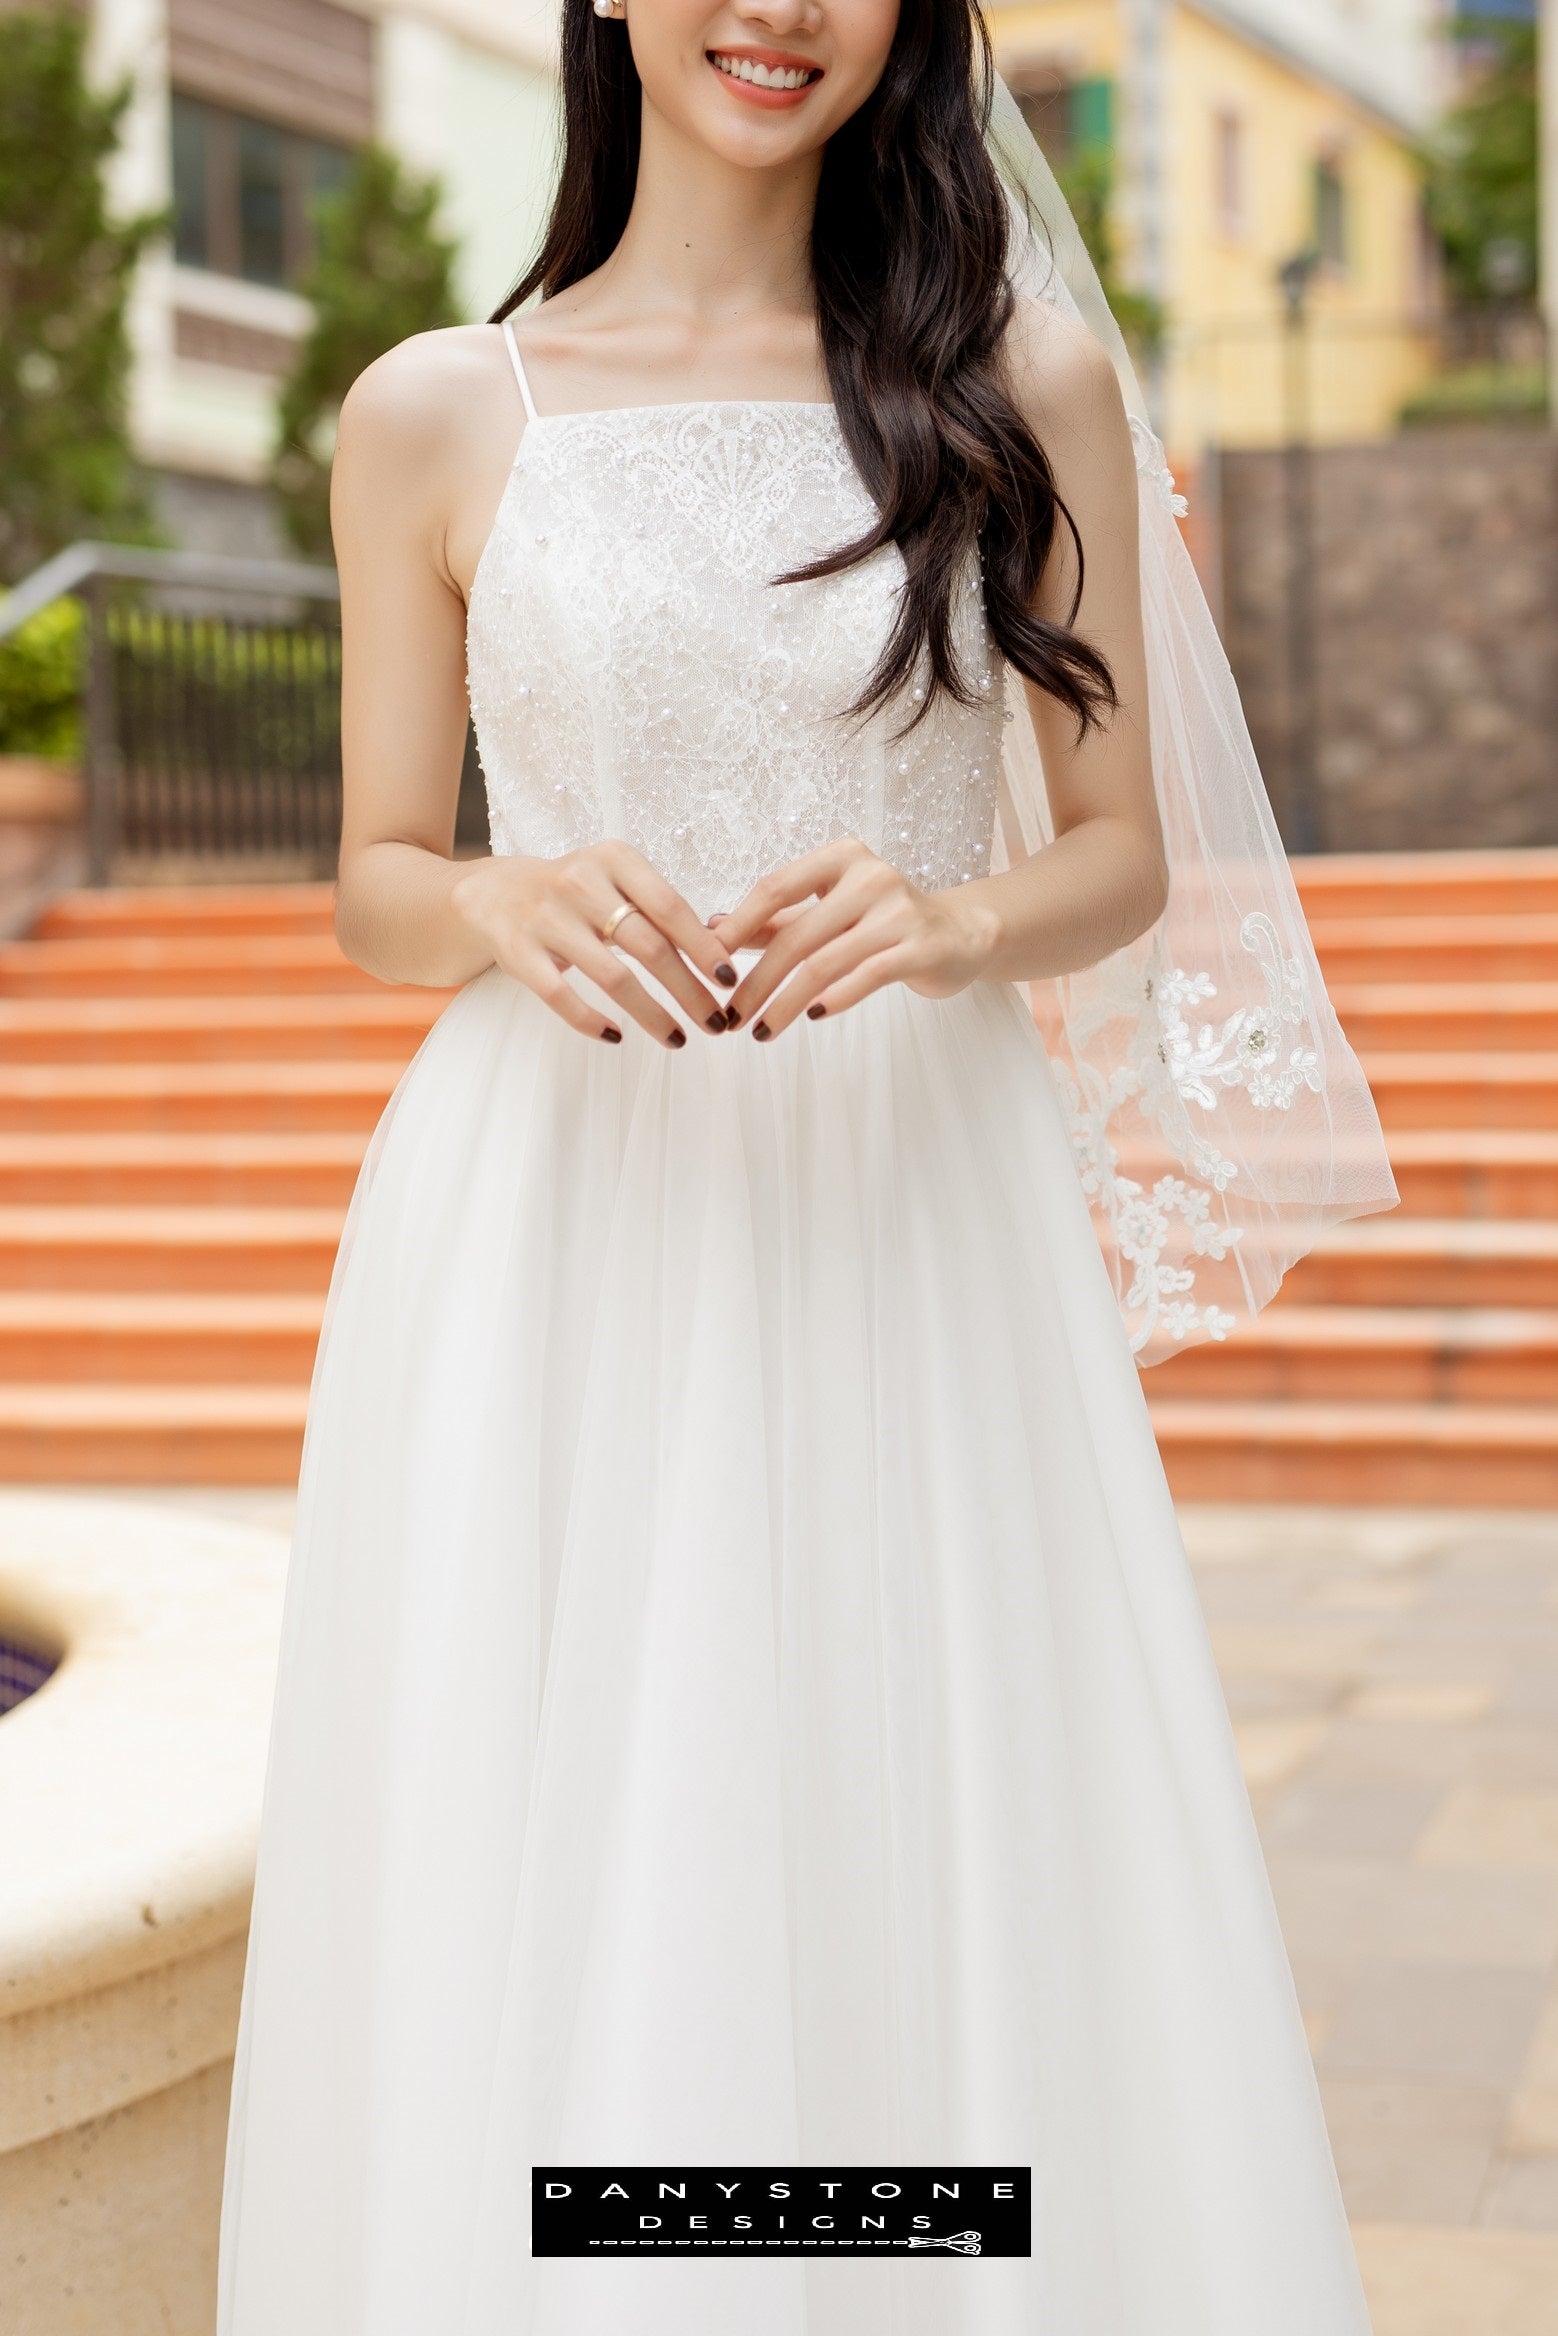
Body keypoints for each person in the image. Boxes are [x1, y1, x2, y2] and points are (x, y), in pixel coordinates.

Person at [216, 0, 1394, 2328]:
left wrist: (955, 914)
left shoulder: (1021, 378)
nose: (779, 10)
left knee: (913, 1799)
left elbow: (1122, 851)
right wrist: (489, 897)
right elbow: (368, 873)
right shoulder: (439, 408)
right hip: (553, 1204)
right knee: (573, 1818)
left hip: (905, 1200)